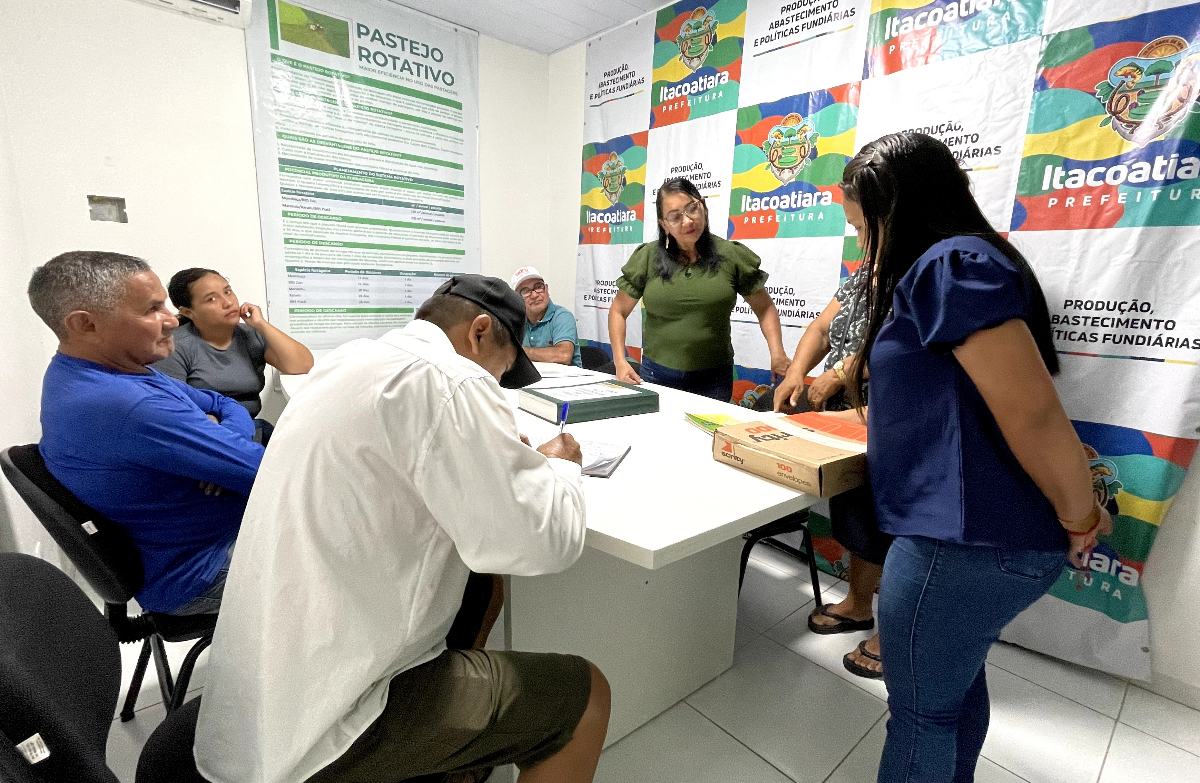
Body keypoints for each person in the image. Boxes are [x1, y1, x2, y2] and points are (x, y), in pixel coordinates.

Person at [195, 274, 610, 783]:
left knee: (481, 587)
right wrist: (562, 467)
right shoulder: (452, 381)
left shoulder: (349, 360)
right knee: (585, 694)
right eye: (502, 372)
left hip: (256, 697)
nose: (497, 385)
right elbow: (544, 544)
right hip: (324, 730)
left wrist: (485, 446)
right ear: (479, 332)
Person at [833, 133, 1112, 782]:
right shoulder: (937, 271)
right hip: (966, 537)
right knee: (950, 693)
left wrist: (1080, 516)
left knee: (920, 716)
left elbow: (1034, 412)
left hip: (958, 544)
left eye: (864, 227)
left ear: (899, 210)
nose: (863, 244)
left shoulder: (949, 265)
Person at [28, 251, 264, 615]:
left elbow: (223, 403)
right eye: (151, 310)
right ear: (85, 325)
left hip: (203, 543)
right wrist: (224, 451)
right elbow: (269, 474)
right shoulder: (124, 403)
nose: (171, 321)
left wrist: (224, 446)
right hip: (201, 571)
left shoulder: (114, 369)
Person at [774, 262, 890, 679]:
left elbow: (904, 343)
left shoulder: (920, 267)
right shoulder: (864, 275)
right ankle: (859, 606)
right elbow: (823, 329)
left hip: (896, 417)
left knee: (896, 529)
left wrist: (838, 375)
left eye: (862, 224)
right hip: (852, 418)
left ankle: (896, 636)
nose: (861, 237)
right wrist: (795, 373)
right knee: (860, 521)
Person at [608, 177, 790, 401]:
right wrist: (620, 360)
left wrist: (777, 352)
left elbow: (765, 309)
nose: (687, 221)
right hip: (657, 374)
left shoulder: (731, 255)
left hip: (713, 378)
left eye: (692, 208)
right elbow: (618, 310)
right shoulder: (648, 257)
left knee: (707, 436)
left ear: (703, 206)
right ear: (664, 224)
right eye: (674, 217)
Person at [155, 268, 313, 424]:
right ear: (188, 312)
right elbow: (172, 410)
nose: (228, 303)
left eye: (227, 291)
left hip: (250, 427)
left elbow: (302, 365)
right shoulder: (175, 345)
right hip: (207, 433)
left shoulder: (250, 335)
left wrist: (261, 324)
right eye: (211, 299)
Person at [510, 265, 582, 367]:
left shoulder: (562, 316)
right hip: (533, 379)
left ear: (547, 289)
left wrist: (519, 352)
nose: (534, 295)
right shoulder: (514, 320)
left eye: (539, 287)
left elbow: (563, 356)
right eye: (525, 291)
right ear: (516, 299)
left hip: (567, 380)